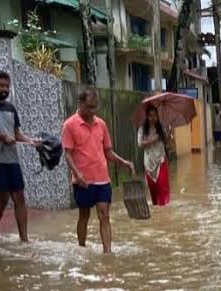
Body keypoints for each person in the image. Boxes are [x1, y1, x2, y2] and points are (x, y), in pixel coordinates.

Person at [61, 86, 134, 254]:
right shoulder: (69, 125)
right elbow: (68, 154)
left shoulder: (101, 125)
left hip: (102, 180)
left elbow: (107, 151)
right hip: (83, 181)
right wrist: (77, 173)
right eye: (90, 107)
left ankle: (107, 252)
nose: (93, 110)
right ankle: (81, 249)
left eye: (96, 107)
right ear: (80, 104)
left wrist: (122, 162)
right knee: (84, 216)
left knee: (104, 215)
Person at [0, 70, 41, 242]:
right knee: (0, 198)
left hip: (12, 160)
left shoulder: (11, 108)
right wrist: (1, 136)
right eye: (1, 85)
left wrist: (31, 141)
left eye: (7, 86)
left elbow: (17, 134)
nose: (5, 89)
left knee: (19, 197)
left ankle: (24, 239)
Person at [137, 106, 170, 206]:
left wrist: (169, 133)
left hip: (161, 160)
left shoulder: (162, 128)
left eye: (155, 115)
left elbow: (167, 143)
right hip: (149, 163)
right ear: (147, 116)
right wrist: (153, 140)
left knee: (162, 187)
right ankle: (157, 211)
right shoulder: (142, 129)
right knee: (153, 190)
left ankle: (163, 211)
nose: (153, 118)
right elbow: (139, 144)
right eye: (150, 116)